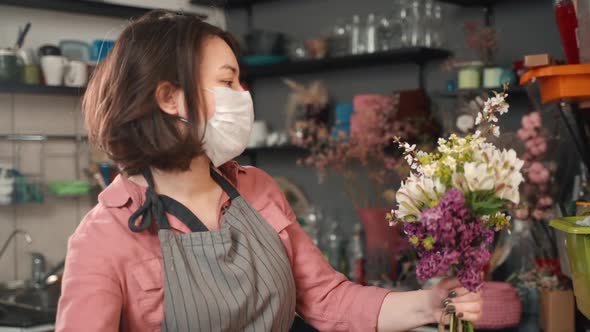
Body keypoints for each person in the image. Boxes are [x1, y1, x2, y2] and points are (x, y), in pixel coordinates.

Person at [56, 10, 482, 332]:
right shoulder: (105, 236)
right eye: (226, 83)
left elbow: (329, 300)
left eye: (241, 83)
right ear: (170, 98)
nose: (242, 96)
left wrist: (430, 305)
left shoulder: (256, 189)